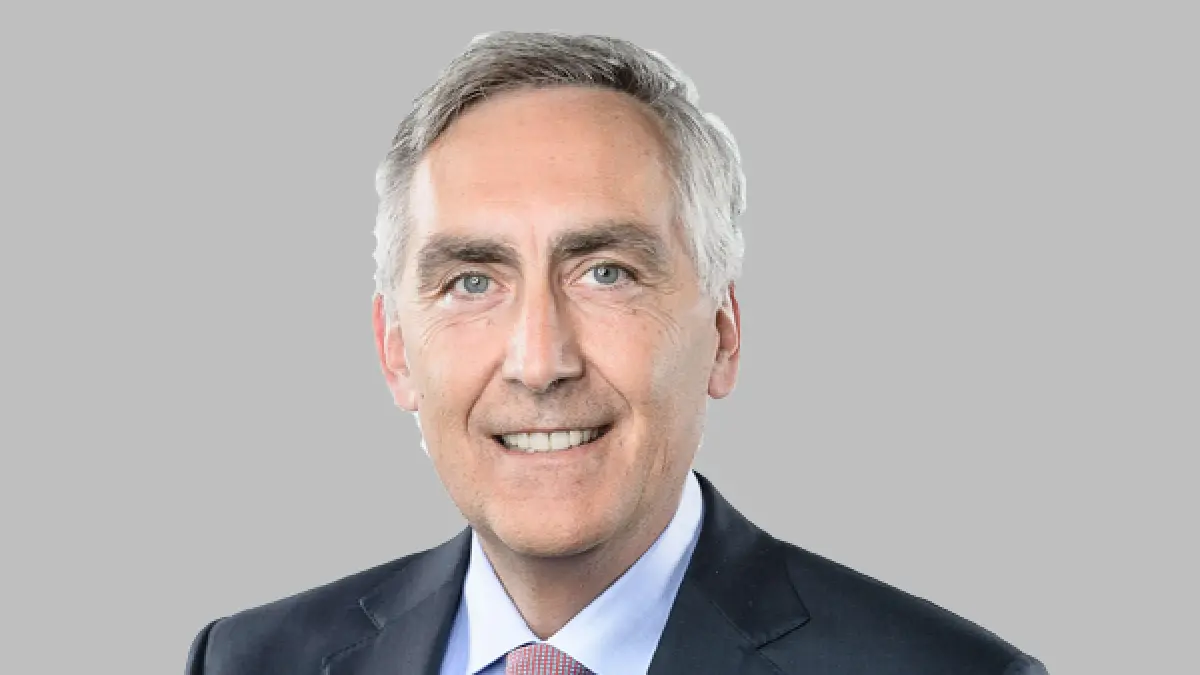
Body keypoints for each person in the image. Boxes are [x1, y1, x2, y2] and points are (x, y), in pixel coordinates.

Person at [185, 31, 1048, 675]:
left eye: (607, 272)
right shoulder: (247, 661)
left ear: (723, 332)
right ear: (395, 350)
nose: (539, 361)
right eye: (473, 281)